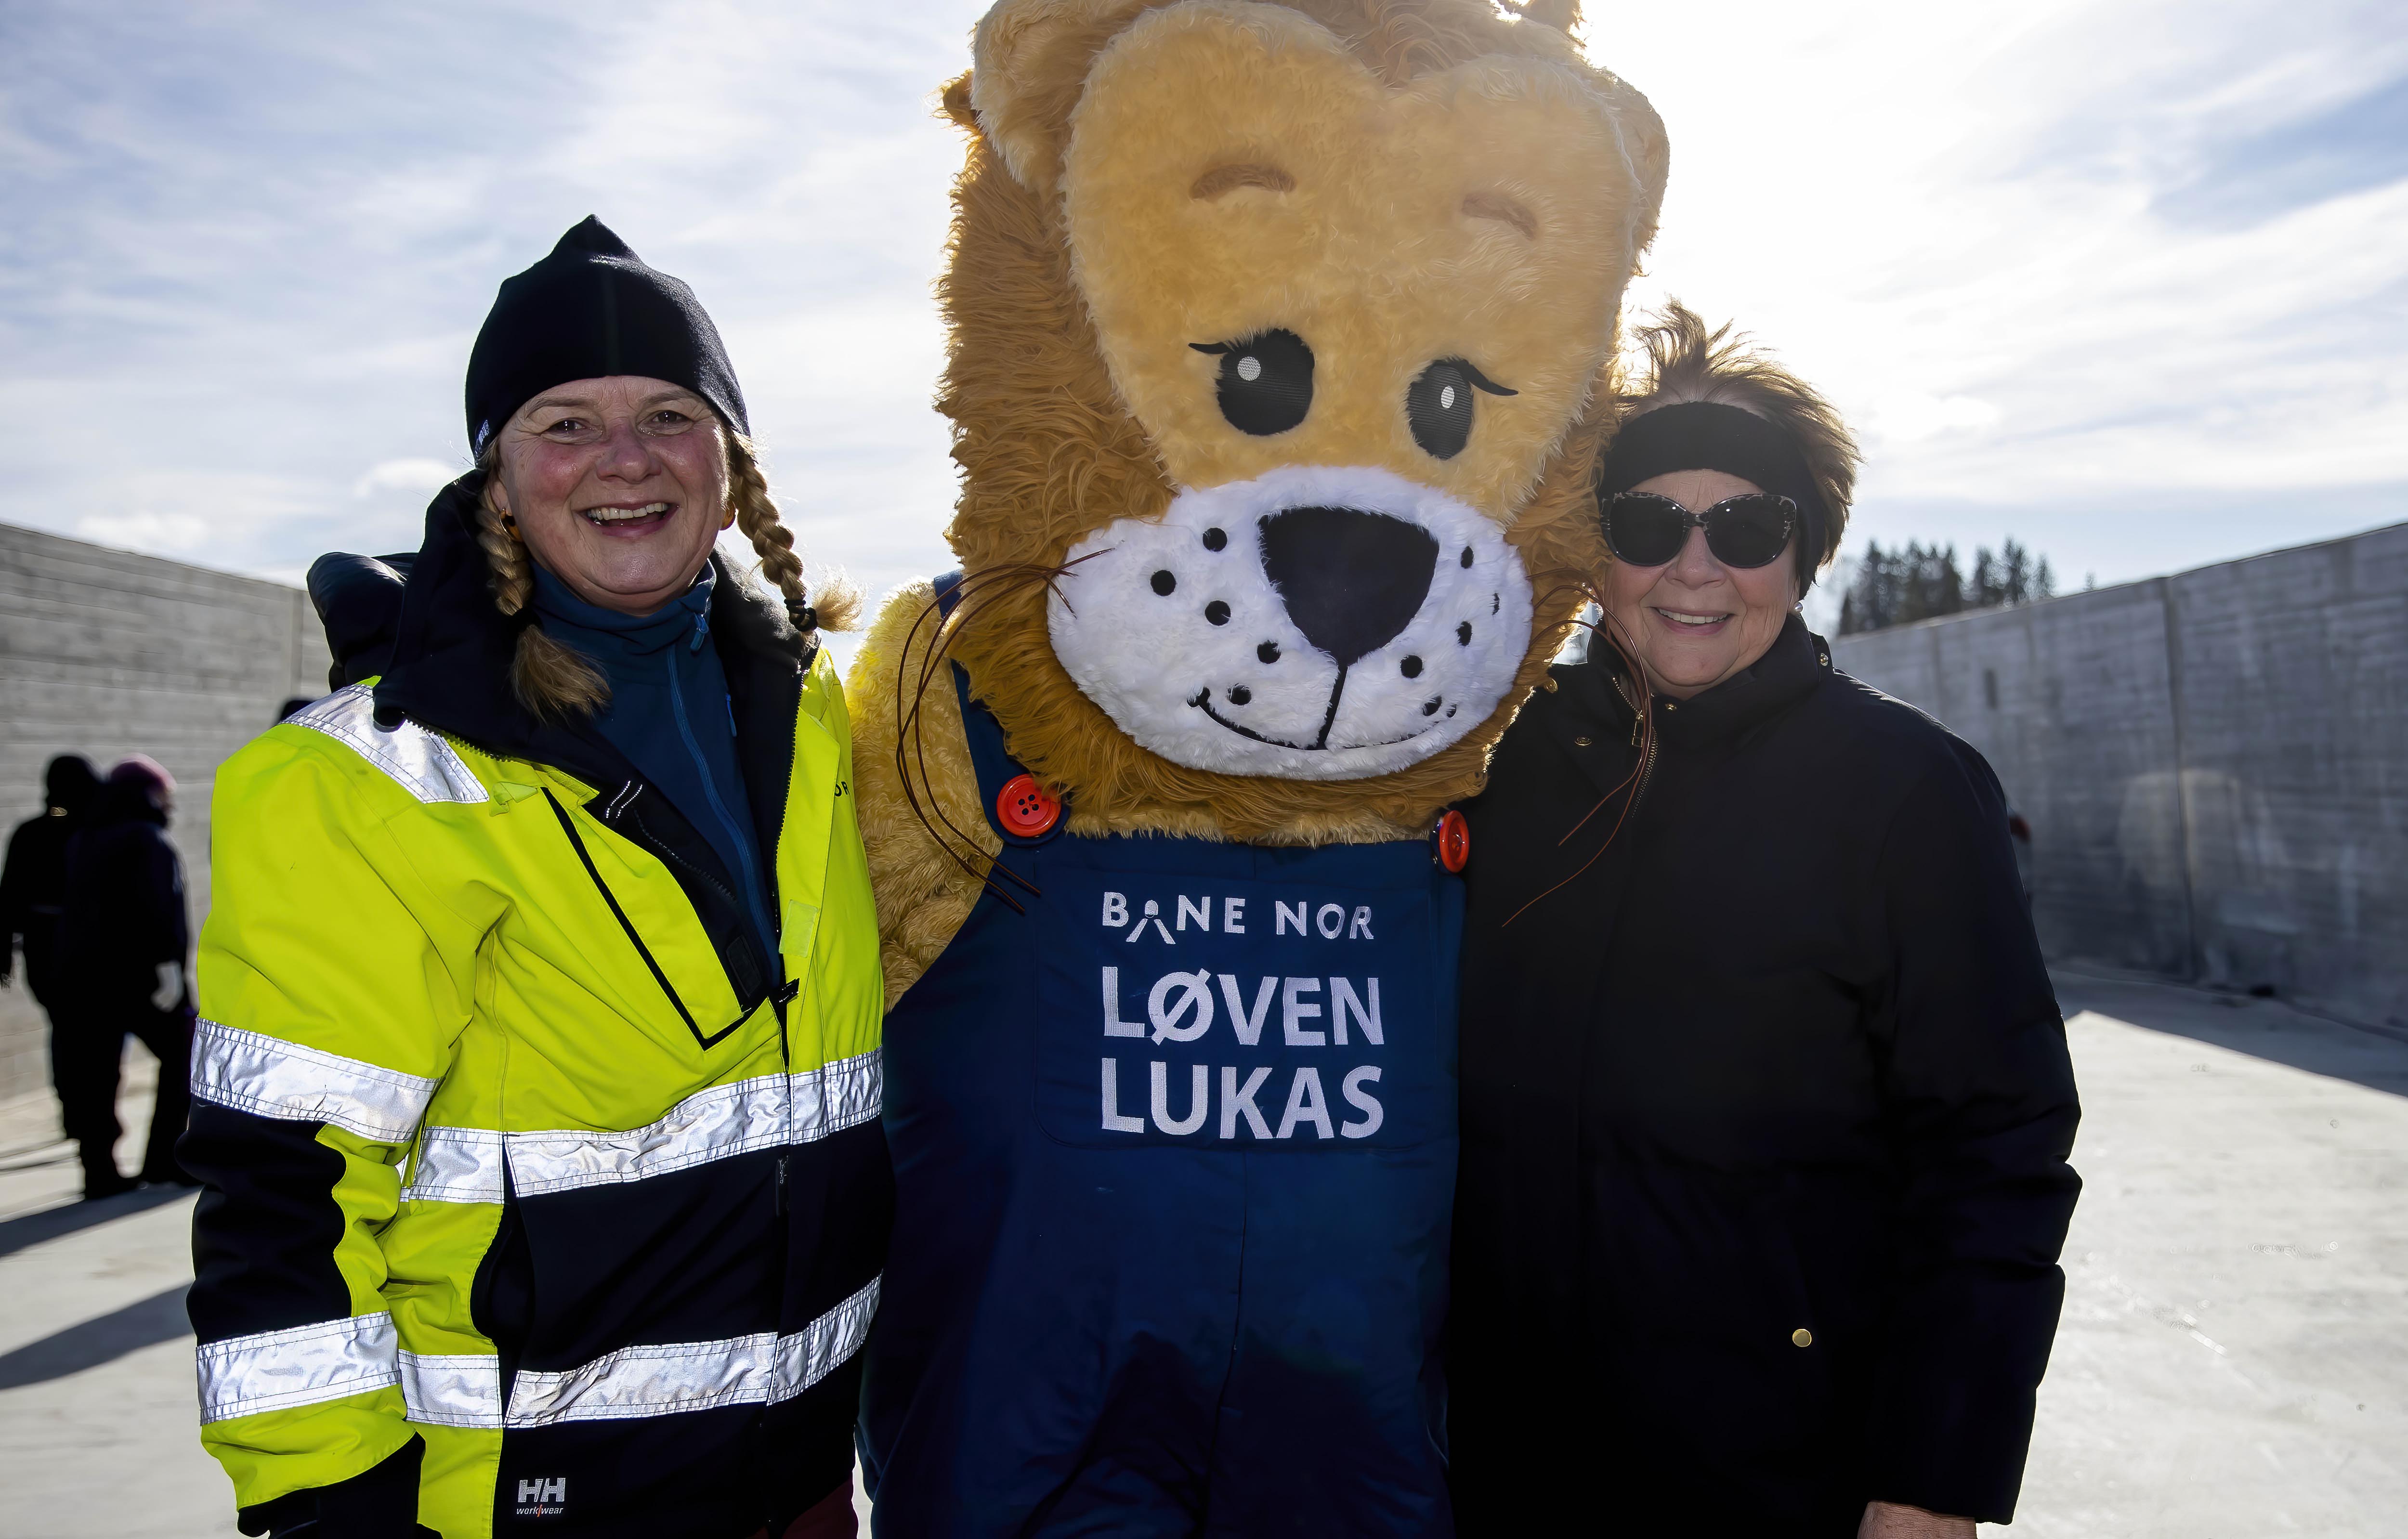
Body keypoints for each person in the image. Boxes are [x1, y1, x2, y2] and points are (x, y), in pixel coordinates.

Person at [182, 218, 888, 1539]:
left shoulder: (821, 721)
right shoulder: (369, 781)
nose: (623, 458)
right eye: (566, 422)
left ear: (731, 469)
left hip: (797, 1481)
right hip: (512, 1502)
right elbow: (279, 1202)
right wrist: (335, 1508)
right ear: (497, 480)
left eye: (668, 415)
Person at [1449, 306, 2081, 1537]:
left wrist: (1932, 1481)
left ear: (1804, 555)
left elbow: (1994, 1149)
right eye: (1647, 523)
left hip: (1774, 1467)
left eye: (1744, 526)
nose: (1695, 568)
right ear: (1596, 549)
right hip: (1489, 1455)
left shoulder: (1902, 788)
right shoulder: (1494, 764)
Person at [50, 755, 198, 1195]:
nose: (169, 805)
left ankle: (100, 1172)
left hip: (85, 978)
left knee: (97, 1074)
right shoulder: (145, 840)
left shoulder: (84, 838)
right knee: (186, 1056)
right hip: (140, 978)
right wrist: (168, 966)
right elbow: (157, 906)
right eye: (164, 795)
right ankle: (166, 1159)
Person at [0, 755, 128, 1197]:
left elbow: (9, 899)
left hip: (49, 961)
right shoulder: (95, 835)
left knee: (72, 1047)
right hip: (91, 965)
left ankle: (78, 1121)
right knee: (98, 1059)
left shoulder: (36, 832)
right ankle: (97, 1149)